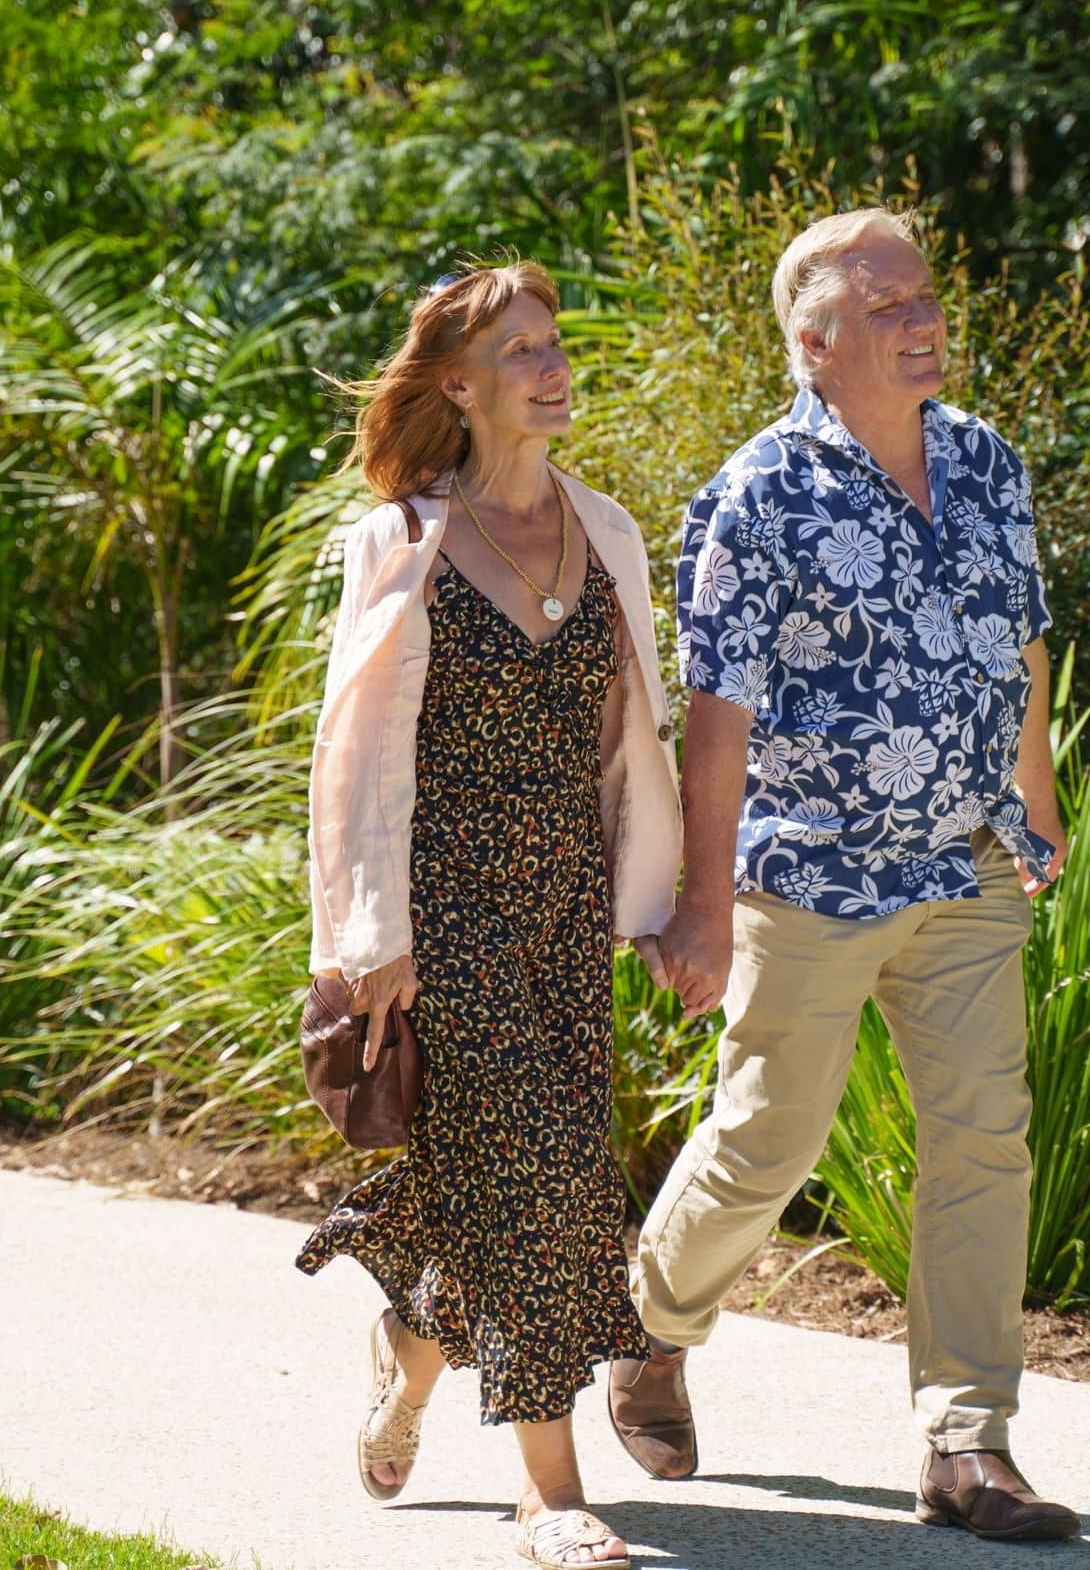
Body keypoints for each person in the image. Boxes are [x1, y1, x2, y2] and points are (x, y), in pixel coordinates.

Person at [609, 209, 1083, 1542]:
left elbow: (1022, 646)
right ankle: (648, 1324)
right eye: (884, 309)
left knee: (984, 1140)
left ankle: (967, 1446)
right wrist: (705, 897)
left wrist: (1035, 811)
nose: (921, 320)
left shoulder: (987, 463)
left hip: (966, 861)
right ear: (812, 345)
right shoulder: (756, 495)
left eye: (924, 296)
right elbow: (717, 714)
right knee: (770, 1141)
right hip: (806, 873)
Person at [296, 260, 681, 1570]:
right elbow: (352, 757)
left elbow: (636, 745)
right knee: (540, 1182)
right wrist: (373, 942)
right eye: (520, 351)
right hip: (442, 903)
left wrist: (662, 908)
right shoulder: (398, 539)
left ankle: (407, 1363)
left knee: (507, 1181)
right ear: (458, 384)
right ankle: (549, 1492)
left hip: (564, 909)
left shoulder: (609, 531)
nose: (552, 365)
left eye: (555, 343)